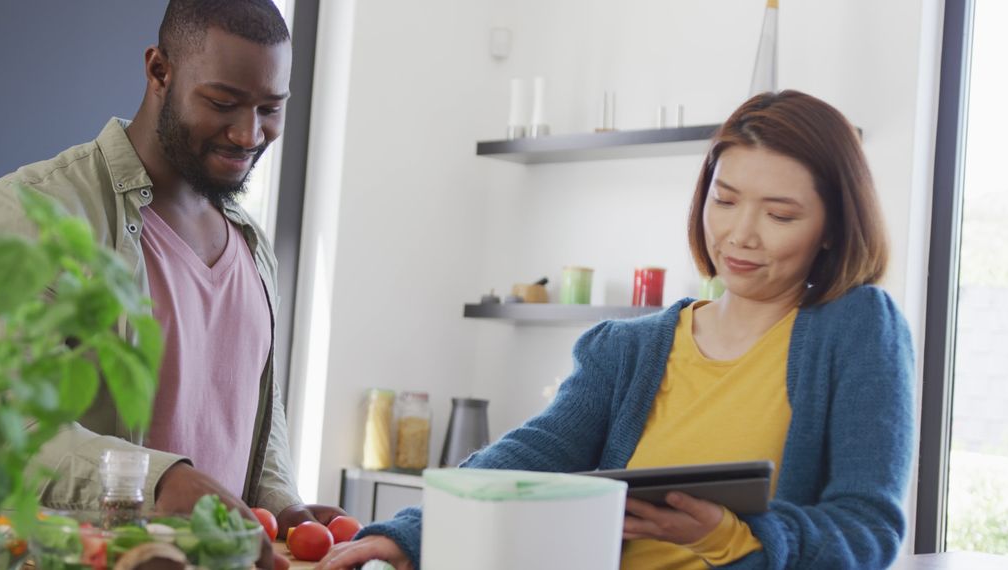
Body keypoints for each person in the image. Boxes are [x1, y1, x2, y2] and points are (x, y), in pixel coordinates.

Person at [316, 90, 915, 570]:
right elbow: (532, 455)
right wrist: (412, 533)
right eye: (725, 200)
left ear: (835, 227)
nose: (741, 235)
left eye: (780, 214)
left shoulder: (858, 327)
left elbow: (867, 529)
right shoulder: (630, 347)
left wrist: (730, 537)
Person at [0, 1, 342, 567]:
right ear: (159, 71)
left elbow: (255, 410)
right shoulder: (30, 212)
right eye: (222, 102)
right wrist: (160, 483)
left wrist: (279, 504)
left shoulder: (254, 249)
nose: (247, 132)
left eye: (270, 108)